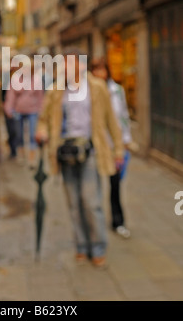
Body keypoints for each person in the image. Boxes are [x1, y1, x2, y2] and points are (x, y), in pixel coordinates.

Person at [35, 49, 124, 268]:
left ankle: (98, 246)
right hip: (64, 152)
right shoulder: (56, 90)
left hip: (90, 151)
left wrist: (118, 150)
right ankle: (81, 246)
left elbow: (111, 120)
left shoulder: (97, 87)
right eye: (64, 64)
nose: (66, 68)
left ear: (81, 66)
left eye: (71, 64)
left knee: (91, 202)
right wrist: (42, 131)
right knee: (73, 203)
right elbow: (43, 118)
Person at [90, 57, 133, 239]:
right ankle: (95, 225)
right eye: (96, 69)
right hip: (96, 146)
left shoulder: (116, 90)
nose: (100, 73)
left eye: (102, 69)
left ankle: (118, 221)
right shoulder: (86, 91)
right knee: (94, 187)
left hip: (114, 144)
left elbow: (123, 116)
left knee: (115, 185)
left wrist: (124, 141)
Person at [4, 58, 44, 166]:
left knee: (32, 134)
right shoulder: (15, 79)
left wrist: (42, 110)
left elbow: (40, 96)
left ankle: (31, 158)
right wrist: (9, 108)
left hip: (33, 110)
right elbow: (10, 95)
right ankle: (21, 154)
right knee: (19, 133)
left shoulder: (36, 79)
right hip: (18, 111)